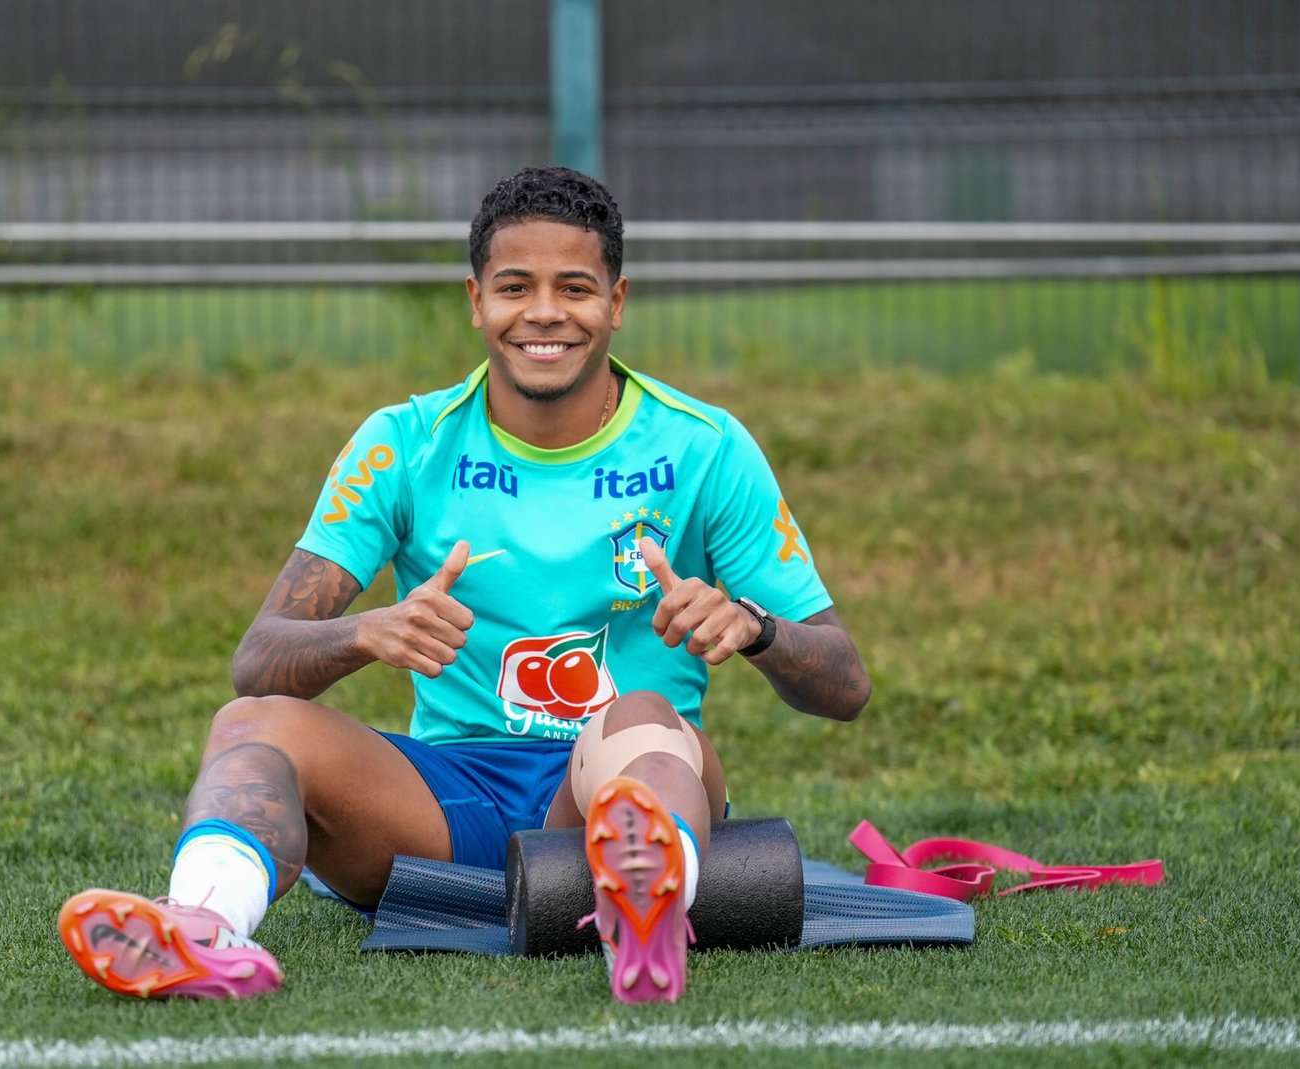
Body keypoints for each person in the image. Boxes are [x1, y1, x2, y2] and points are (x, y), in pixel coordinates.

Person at [57, 165, 870, 1004]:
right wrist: (366, 632)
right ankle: (198, 929)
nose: (544, 312)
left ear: (617, 302)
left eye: (575, 287)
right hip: (446, 806)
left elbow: (845, 685)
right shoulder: (404, 443)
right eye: (515, 287)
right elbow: (258, 661)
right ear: (476, 301)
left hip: (620, 773)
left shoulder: (706, 447)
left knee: (637, 715)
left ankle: (644, 902)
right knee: (249, 723)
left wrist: (755, 626)